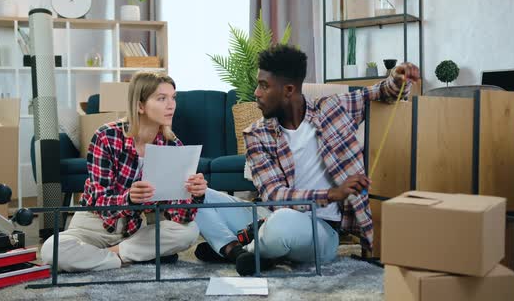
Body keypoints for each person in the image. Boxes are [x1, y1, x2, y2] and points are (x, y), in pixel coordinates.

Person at [194, 44, 420, 276]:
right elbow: (274, 195)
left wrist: (399, 75)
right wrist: (332, 194)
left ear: (288, 90)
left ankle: (241, 247)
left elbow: (383, 92)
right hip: (265, 215)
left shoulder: (334, 109)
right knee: (193, 194)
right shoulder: (257, 133)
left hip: (319, 230)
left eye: (264, 86)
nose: (256, 93)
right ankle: (237, 251)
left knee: (281, 226)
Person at [41, 72, 206, 272]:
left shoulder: (172, 144)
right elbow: (99, 201)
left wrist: (195, 195)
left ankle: (113, 254)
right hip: (96, 224)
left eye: (173, 98)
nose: (171, 105)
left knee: (189, 232)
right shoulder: (107, 136)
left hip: (138, 228)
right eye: (162, 98)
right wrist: (129, 199)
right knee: (52, 250)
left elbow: (179, 217)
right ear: (140, 105)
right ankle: (128, 257)